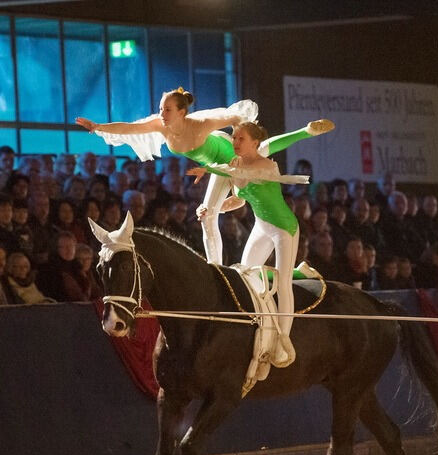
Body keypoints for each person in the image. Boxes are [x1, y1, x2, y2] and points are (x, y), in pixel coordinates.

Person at [78, 90, 333, 266]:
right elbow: (130, 128)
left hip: (226, 156)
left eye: (167, 109)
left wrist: (240, 147)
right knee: (206, 214)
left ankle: (306, 131)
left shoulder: (200, 123)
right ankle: (216, 267)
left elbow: (237, 118)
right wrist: (98, 127)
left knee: (262, 152)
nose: (162, 113)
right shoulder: (160, 125)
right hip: (215, 166)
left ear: (182, 112)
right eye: (160, 109)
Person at [191, 121, 312, 367]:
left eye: (240, 139)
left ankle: (283, 342)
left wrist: (213, 169)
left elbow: (251, 176)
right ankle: (300, 272)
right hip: (261, 227)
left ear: (256, 143)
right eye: (234, 138)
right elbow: (240, 199)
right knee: (246, 275)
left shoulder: (267, 165)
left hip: (283, 228)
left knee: (284, 283)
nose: (234, 143)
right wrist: (216, 207)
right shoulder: (236, 164)